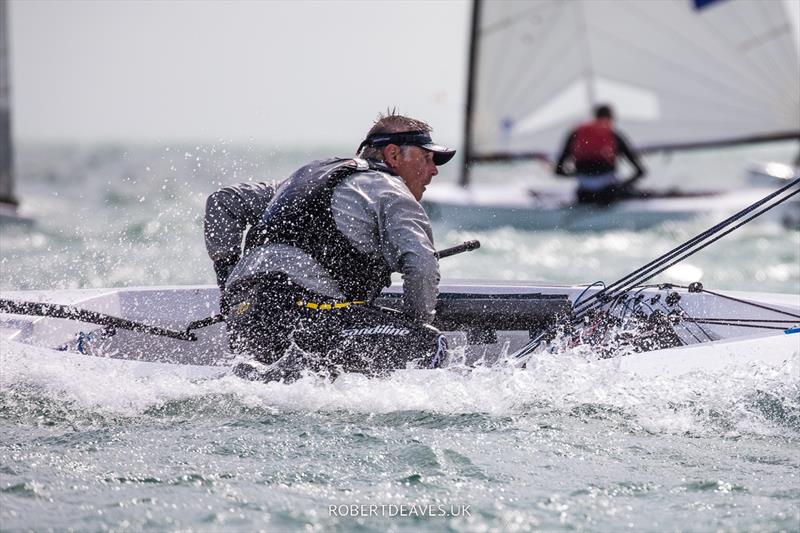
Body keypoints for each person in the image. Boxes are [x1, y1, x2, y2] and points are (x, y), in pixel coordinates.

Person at [203, 112, 455, 382]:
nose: (433, 170)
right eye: (426, 158)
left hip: (245, 321)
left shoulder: (302, 180)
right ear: (393, 155)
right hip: (308, 319)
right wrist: (415, 324)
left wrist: (226, 284)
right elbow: (421, 264)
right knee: (429, 344)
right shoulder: (390, 189)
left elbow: (223, 201)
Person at [554, 104, 647, 205]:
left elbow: (558, 170)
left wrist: (577, 173)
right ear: (611, 118)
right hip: (608, 194)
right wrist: (622, 185)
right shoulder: (613, 135)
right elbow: (640, 171)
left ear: (595, 116)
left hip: (584, 195)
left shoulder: (576, 133)